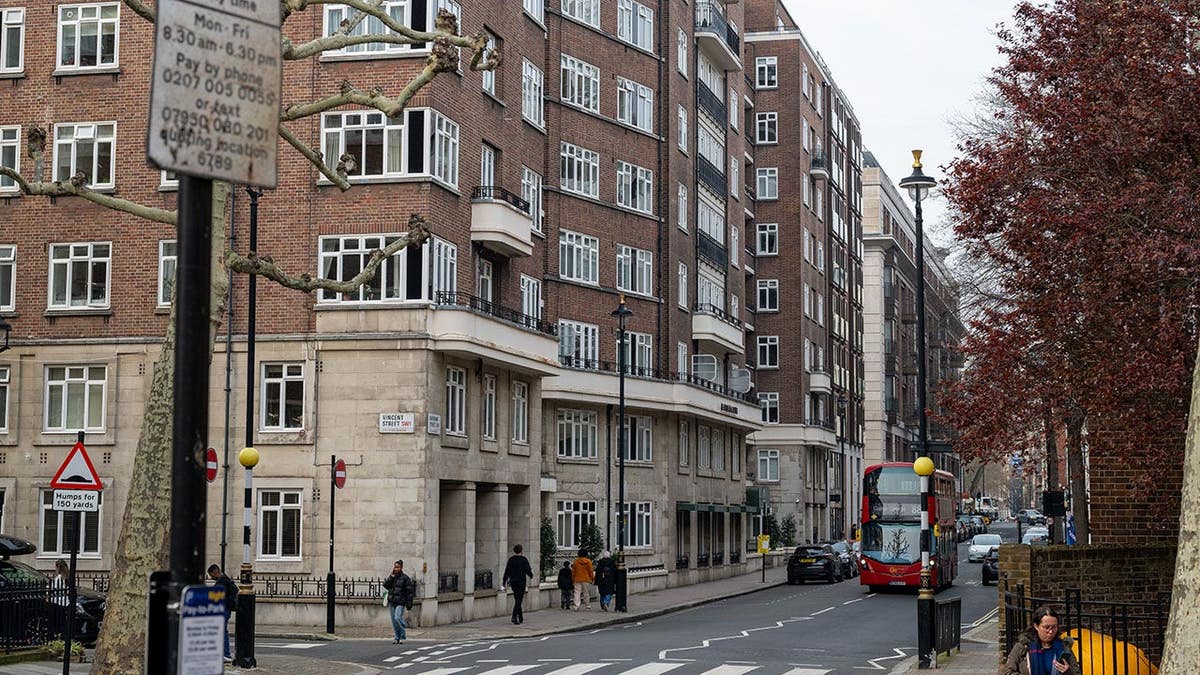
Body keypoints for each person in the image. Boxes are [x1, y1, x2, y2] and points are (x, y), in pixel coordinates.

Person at [1003, 605, 1081, 675]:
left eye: (1054, 627)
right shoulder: (1023, 646)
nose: (1050, 632)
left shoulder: (1063, 647)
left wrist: (1068, 672)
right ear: (1036, 626)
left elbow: (1077, 673)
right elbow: (1007, 672)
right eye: (1046, 627)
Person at [207, 564, 238, 663]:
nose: (211, 577)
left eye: (211, 575)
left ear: (214, 573)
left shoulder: (222, 581)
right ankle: (223, 653)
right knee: (222, 631)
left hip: (223, 609)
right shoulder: (226, 579)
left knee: (222, 631)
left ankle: (226, 654)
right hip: (226, 609)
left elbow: (217, 596)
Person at [383, 560, 415, 643]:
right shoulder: (392, 577)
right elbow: (386, 585)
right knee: (394, 622)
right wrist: (391, 577)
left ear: (401, 568)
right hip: (392, 601)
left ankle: (403, 627)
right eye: (395, 567)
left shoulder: (405, 578)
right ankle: (397, 637)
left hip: (400, 602)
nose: (396, 569)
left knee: (397, 617)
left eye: (398, 567)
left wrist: (409, 603)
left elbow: (409, 592)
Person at [501, 544, 534, 625]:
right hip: (521, 582)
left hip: (513, 582)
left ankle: (521, 616)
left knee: (517, 599)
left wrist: (503, 582)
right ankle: (514, 616)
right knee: (519, 600)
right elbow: (528, 570)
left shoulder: (511, 560)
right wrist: (531, 575)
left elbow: (507, 571)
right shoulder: (524, 559)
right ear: (521, 551)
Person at [50, 560, 71, 638]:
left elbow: (54, 589)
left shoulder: (58, 578)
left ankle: (57, 636)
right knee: (63, 621)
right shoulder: (67, 577)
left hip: (57, 602)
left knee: (57, 621)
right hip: (65, 601)